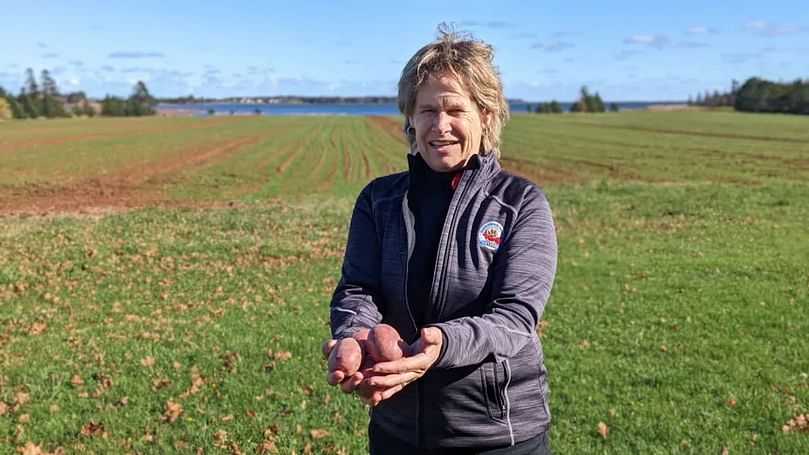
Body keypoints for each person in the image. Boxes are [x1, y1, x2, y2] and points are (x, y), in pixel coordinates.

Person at [323, 27, 557, 454]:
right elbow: (358, 288)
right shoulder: (379, 200)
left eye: (455, 109)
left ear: (485, 116)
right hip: (397, 429)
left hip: (495, 435)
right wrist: (355, 336)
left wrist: (441, 345)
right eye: (427, 110)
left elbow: (516, 316)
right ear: (410, 118)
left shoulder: (519, 203)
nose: (440, 125)